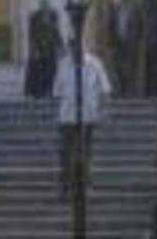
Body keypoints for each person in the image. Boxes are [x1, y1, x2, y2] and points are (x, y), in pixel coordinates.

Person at [52, 39, 112, 200]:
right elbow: (57, 90)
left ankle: (85, 184)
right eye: (72, 48)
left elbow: (104, 88)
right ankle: (66, 186)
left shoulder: (94, 64)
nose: (75, 51)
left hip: (88, 114)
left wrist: (103, 109)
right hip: (67, 115)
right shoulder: (63, 64)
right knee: (67, 152)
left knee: (85, 152)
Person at [24, 0, 63, 99]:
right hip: (39, 48)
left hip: (50, 49)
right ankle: (37, 92)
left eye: (46, 5)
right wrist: (34, 49)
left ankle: (48, 91)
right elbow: (32, 34)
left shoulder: (53, 16)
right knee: (38, 71)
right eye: (43, 5)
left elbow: (56, 32)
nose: (45, 7)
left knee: (51, 70)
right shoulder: (35, 17)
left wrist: (61, 46)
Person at [107, 0, 143, 96]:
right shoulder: (114, 10)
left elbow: (140, 25)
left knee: (131, 67)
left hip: (131, 43)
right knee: (118, 66)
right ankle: (120, 89)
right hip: (118, 43)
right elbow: (110, 26)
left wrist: (139, 39)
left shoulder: (134, 10)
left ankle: (130, 90)